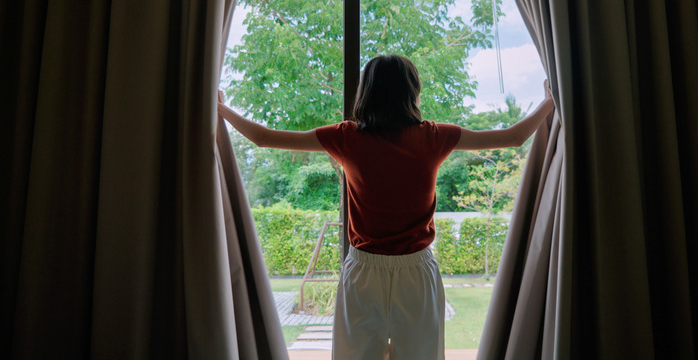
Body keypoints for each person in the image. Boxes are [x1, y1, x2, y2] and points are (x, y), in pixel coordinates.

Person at [218, 54, 555, 359]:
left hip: (365, 271)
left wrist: (221, 107)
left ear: (366, 91)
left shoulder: (347, 137)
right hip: (416, 272)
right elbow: (513, 137)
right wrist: (551, 101)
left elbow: (263, 137)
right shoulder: (434, 136)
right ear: (412, 91)